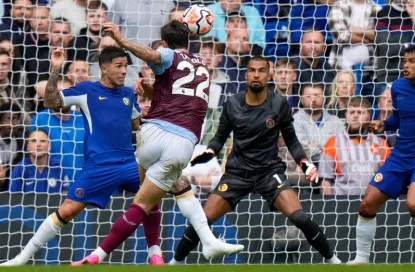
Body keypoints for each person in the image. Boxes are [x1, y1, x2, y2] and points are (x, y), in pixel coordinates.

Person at [73, 20, 244, 265]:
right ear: (189, 41)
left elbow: (158, 71)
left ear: (165, 43)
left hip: (149, 134)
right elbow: (169, 85)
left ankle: (186, 246)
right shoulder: (203, 67)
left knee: (176, 186)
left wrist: (122, 41)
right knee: (143, 203)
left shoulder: (169, 57)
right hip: (181, 141)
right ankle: (97, 256)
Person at [169, 56, 342, 265]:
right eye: (252, 70)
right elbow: (219, 138)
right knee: (202, 221)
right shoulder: (232, 103)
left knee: (299, 218)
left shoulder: (279, 104)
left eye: (261, 71)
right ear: (246, 74)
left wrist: (305, 164)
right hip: (237, 173)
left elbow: (293, 142)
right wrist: (210, 152)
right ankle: (174, 264)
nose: (256, 75)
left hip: (269, 172)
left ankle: (334, 261)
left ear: (269, 75)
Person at [0, 46, 163, 266]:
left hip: (128, 163)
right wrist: (56, 69)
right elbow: (51, 102)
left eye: (126, 66)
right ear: (104, 68)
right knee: (66, 211)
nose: (124, 71)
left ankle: (156, 255)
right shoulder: (86, 90)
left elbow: (137, 125)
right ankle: (22, 258)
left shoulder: (127, 94)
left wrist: (151, 100)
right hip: (99, 166)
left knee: (159, 190)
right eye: (119, 66)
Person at [349, 44, 415, 264]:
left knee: (413, 203)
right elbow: (399, 118)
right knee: (367, 204)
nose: (405, 66)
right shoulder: (398, 87)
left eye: (412, 61)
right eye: (404, 61)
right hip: (399, 157)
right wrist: (384, 124)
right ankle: (361, 259)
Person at [9, 128, 70, 194]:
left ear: (49, 146)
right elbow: (13, 199)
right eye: (34, 141)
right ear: (28, 147)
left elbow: (65, 193)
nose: (38, 144)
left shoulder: (58, 166)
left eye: (43, 141)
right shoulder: (20, 169)